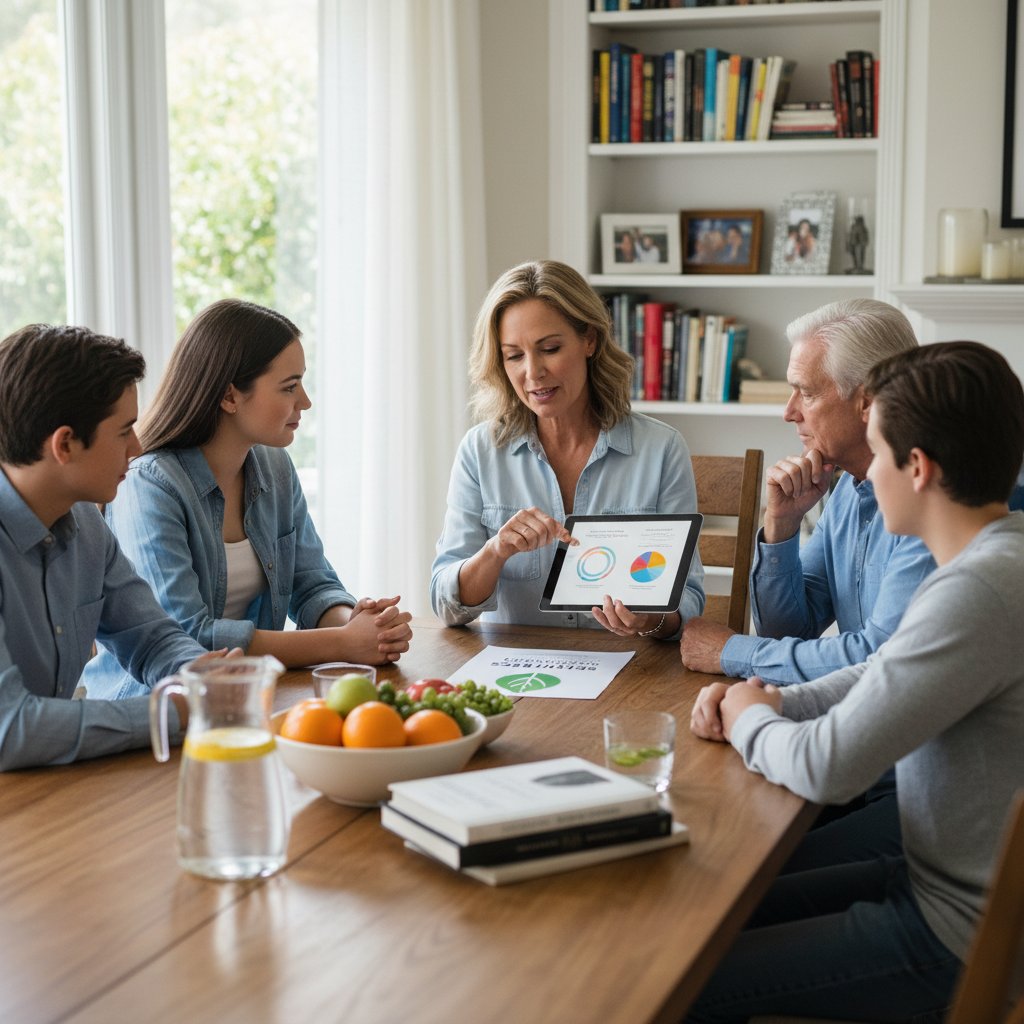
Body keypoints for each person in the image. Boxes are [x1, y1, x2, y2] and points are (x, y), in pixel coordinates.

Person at [685, 341, 1024, 1021]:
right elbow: (883, 672)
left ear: (919, 468)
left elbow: (830, 768)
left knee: (681, 976)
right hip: (933, 878)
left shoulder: (980, 591)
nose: (863, 479)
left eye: (876, 453)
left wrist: (752, 719)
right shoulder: (995, 556)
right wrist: (770, 698)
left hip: (956, 931)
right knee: (701, 916)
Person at [83, 299, 411, 700]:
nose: (305, 401)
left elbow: (311, 585)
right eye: (289, 386)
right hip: (156, 711)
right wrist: (343, 643)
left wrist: (362, 626)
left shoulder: (275, 466)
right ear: (230, 396)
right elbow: (188, 637)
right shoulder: (149, 484)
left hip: (247, 698)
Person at [430, 259, 704, 638]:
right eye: (514, 355)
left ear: (589, 339)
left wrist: (649, 619)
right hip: (518, 677)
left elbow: (688, 600)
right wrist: (496, 551)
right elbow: (446, 605)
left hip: (630, 675)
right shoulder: (480, 451)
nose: (533, 372)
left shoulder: (661, 449)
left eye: (550, 348)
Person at [681, 298, 934, 685]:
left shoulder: (933, 501)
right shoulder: (849, 486)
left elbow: (880, 657)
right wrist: (781, 525)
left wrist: (729, 652)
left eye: (807, 392)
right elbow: (787, 632)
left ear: (866, 400)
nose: (789, 411)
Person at [0, 324, 216, 771]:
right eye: (124, 431)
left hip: (45, 792)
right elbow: (11, 728)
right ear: (65, 444)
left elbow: (153, 639)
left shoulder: (84, 520)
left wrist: (201, 678)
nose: (137, 448)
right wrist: (169, 712)